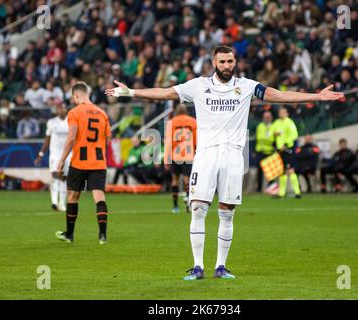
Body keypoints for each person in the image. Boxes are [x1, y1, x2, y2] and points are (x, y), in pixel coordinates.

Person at [105, 45, 344, 280]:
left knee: (227, 213)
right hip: (206, 154)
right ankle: (198, 267)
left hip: (232, 155)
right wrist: (132, 92)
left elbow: (280, 96)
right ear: (214, 62)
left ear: (235, 62)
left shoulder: (246, 86)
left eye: (230, 61)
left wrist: (317, 96)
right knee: (198, 208)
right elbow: (166, 92)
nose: (227, 66)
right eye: (222, 62)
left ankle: (221, 266)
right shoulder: (198, 86)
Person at [55, 82, 111, 245]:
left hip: (80, 161)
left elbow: (71, 137)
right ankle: (102, 236)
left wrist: (62, 159)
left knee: (73, 196)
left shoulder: (74, 112)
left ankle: (70, 234)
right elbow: (108, 139)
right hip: (99, 162)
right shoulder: (102, 113)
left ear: (76, 95)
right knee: (99, 197)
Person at [35, 103, 70, 212]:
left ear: (66, 110)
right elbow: (47, 139)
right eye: (59, 108)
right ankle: (54, 202)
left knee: (63, 178)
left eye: (63, 108)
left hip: (67, 155)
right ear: (56, 110)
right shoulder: (51, 122)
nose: (61, 110)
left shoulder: (71, 121)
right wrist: (41, 154)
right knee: (55, 176)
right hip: (54, 154)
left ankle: (62, 203)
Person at [164, 104, 197, 214]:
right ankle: (188, 201)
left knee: (175, 179)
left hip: (175, 155)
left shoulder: (171, 122)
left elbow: (168, 142)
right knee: (187, 180)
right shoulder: (193, 121)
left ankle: (175, 206)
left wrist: (166, 159)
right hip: (189, 154)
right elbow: (197, 140)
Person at [271, 107, 301, 199]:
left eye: (283, 112)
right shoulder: (277, 122)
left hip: (288, 149)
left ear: (287, 113)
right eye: (280, 112)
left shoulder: (289, 122)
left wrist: (286, 144)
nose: (281, 114)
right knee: (282, 171)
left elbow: (294, 135)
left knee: (290, 170)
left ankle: (297, 192)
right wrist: (274, 134)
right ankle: (281, 193)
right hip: (280, 150)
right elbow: (272, 131)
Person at [255, 111, 274, 192]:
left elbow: (272, 139)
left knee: (271, 172)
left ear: (271, 118)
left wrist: (266, 140)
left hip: (270, 152)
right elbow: (259, 138)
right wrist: (268, 140)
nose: (267, 118)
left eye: (268, 117)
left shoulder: (274, 126)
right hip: (260, 152)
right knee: (260, 172)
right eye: (265, 117)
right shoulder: (260, 126)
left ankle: (270, 188)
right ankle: (259, 189)